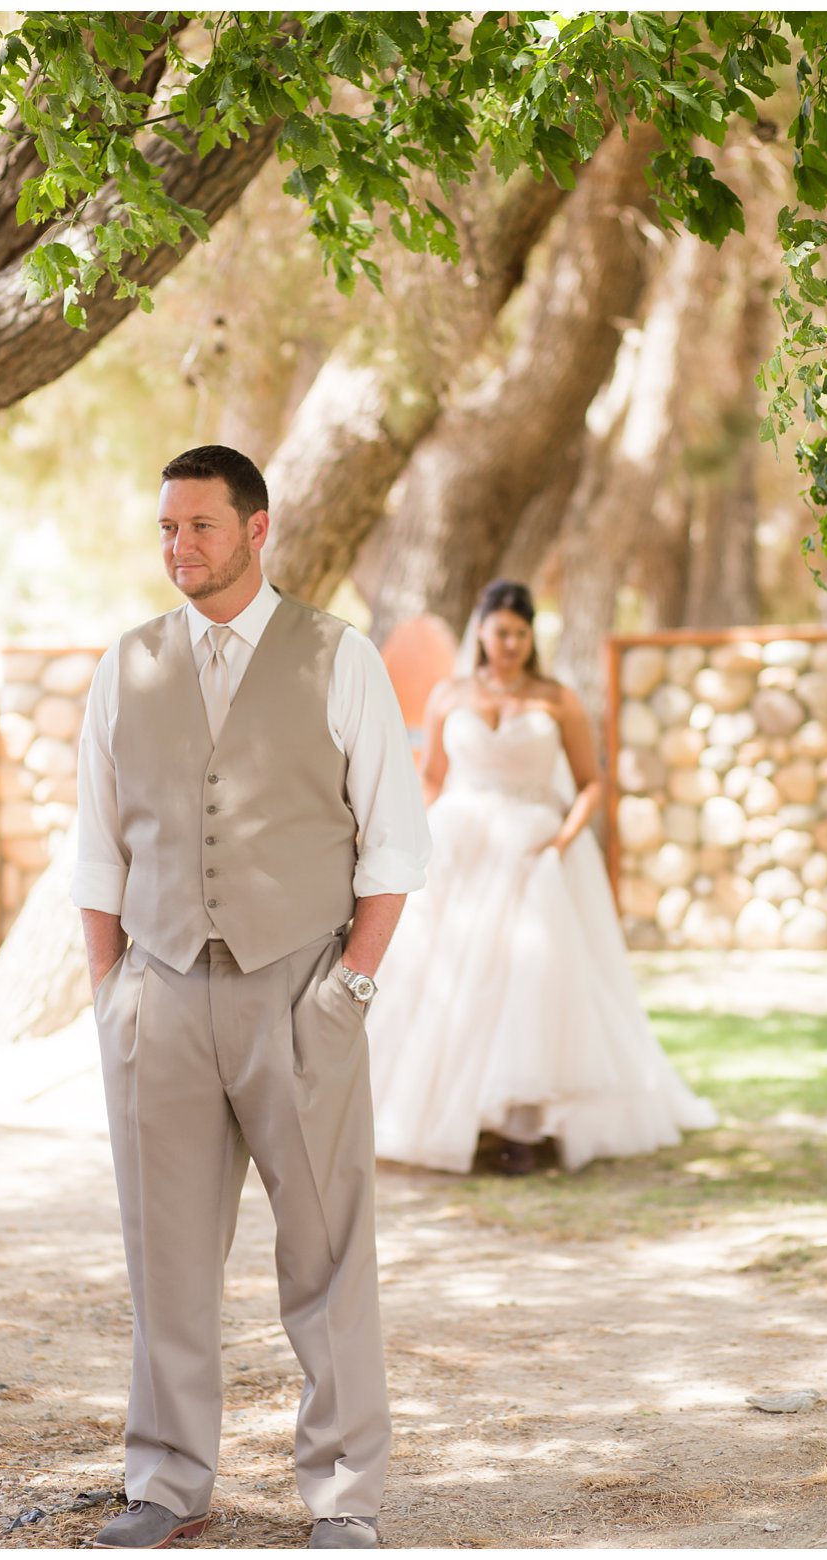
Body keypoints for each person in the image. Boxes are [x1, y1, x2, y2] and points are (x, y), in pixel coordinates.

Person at [73, 445, 429, 1551]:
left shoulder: (338, 656)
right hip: (159, 993)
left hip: (299, 991)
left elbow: (396, 846)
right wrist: (111, 995)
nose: (178, 548)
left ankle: (342, 1497)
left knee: (325, 1255)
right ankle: (167, 1484)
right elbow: (95, 852)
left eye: (200, 528)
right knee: (164, 1255)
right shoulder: (122, 665)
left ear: (258, 528)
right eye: (166, 529)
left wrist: (348, 989)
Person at [364, 578, 716, 1175]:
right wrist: (412, 831)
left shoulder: (557, 699)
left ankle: (520, 1124)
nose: (510, 644)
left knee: (523, 978)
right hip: (458, 847)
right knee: (441, 980)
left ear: (532, 638)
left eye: (521, 634)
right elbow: (433, 777)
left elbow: (592, 782)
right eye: (501, 631)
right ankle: (449, 1116)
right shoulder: (449, 695)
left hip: (533, 849)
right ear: (481, 630)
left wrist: (560, 839)